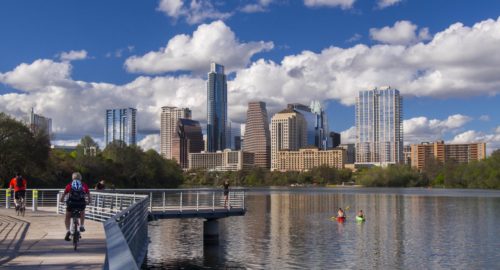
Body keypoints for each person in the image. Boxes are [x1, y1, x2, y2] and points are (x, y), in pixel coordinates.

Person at [60, 172, 91, 241]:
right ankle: (82, 226)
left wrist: (61, 200)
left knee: (67, 216)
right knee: (82, 212)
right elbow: (88, 194)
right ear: (80, 178)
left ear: (72, 178)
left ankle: (68, 230)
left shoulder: (69, 185)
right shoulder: (84, 185)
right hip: (81, 203)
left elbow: (64, 194)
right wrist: (89, 201)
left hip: (71, 203)